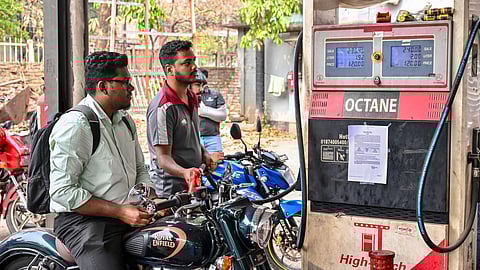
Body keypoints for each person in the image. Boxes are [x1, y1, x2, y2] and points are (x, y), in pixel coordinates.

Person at [49, 51, 153, 270]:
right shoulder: (76, 125)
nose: (131, 88)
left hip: (127, 214)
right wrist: (119, 211)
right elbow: (62, 192)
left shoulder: (125, 121)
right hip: (85, 222)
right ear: (103, 87)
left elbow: (139, 168)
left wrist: (152, 198)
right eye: (125, 82)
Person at [146, 39, 222, 198]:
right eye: (187, 63)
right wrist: (184, 172)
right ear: (170, 69)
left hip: (193, 182)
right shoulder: (163, 108)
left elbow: (192, 137)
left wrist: (204, 154)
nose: (194, 67)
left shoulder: (191, 97)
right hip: (171, 191)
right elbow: (163, 159)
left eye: (194, 61)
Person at [190, 68, 227, 153]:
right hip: (194, 138)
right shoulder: (187, 96)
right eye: (197, 83)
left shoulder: (215, 95)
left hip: (213, 137)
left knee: (216, 163)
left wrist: (204, 111)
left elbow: (223, 116)